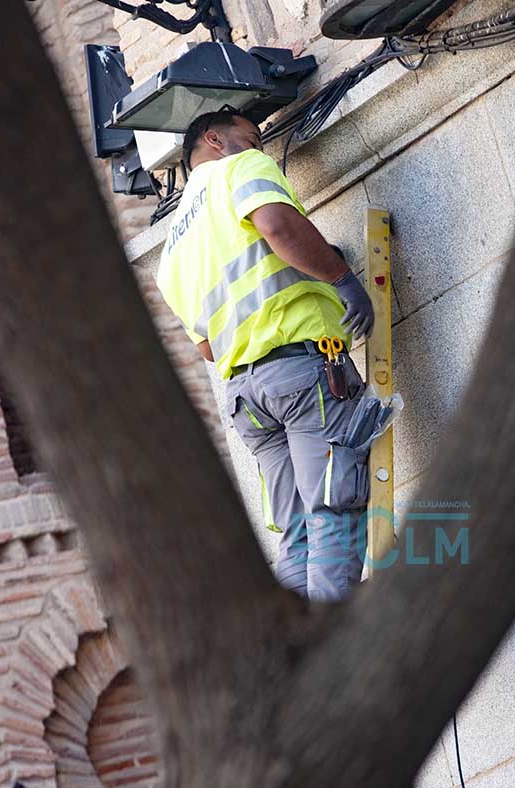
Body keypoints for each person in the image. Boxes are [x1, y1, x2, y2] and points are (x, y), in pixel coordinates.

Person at [155, 107, 375, 602]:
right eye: (251, 137)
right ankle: (336, 653)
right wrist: (340, 278)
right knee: (334, 512)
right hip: (302, 373)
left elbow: (207, 346)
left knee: (297, 535)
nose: (259, 146)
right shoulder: (238, 168)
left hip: (246, 399)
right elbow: (275, 224)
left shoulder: (171, 250)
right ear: (215, 138)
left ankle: (301, 655)